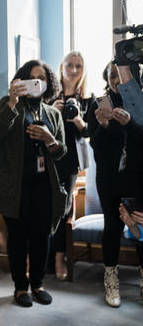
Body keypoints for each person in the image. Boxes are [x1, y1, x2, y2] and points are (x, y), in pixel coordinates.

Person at [0, 60, 67, 307]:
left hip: (43, 186)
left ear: (49, 83)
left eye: (42, 77)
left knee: (42, 237)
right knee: (17, 238)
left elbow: (62, 152)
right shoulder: (10, 105)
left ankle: (38, 284)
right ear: (22, 81)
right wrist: (11, 102)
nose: (37, 82)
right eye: (31, 77)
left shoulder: (52, 113)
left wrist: (51, 140)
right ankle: (20, 288)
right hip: (13, 186)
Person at [88, 61, 143, 308]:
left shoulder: (139, 102)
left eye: (120, 75)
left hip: (138, 177)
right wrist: (103, 126)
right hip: (109, 179)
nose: (116, 80)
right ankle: (111, 282)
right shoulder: (98, 104)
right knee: (112, 227)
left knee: (140, 225)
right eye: (111, 76)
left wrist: (129, 122)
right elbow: (95, 147)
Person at [49, 51, 94, 281]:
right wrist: (53, 111)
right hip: (49, 159)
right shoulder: (49, 96)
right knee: (44, 208)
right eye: (70, 65)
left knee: (63, 210)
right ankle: (41, 257)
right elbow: (38, 126)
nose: (74, 70)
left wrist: (78, 119)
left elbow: (89, 132)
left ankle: (59, 257)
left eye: (78, 65)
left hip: (70, 162)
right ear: (61, 66)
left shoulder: (87, 99)